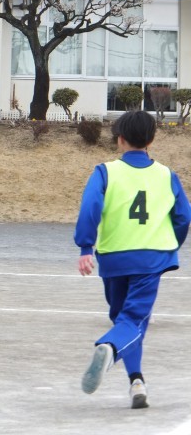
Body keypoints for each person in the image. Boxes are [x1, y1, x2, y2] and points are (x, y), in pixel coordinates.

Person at [75, 110, 191, 409]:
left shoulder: (105, 172)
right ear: (152, 140)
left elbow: (90, 207)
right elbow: (183, 216)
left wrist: (86, 247)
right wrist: (169, 245)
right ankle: (110, 346)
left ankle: (136, 381)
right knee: (131, 321)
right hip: (151, 258)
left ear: (120, 140)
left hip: (114, 258)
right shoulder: (166, 175)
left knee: (124, 319)